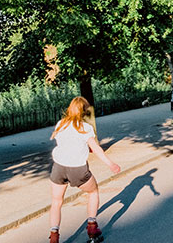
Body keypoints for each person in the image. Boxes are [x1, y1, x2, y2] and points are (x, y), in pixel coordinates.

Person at [48, 97, 121, 243]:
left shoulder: (60, 124)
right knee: (93, 192)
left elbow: (62, 143)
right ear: (84, 111)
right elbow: (96, 149)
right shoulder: (85, 128)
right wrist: (111, 164)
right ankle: (92, 229)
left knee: (56, 202)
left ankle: (54, 237)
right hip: (77, 168)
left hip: (58, 167)